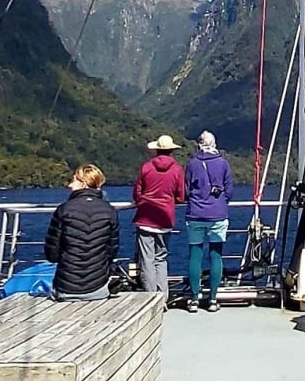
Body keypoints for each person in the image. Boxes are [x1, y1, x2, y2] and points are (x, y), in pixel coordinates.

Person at [44, 164, 121, 301]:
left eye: (74, 180)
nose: (69, 185)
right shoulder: (109, 211)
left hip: (65, 289)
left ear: (83, 183)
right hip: (98, 289)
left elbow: (52, 254)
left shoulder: (64, 210)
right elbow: (111, 252)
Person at [183, 130, 234, 313]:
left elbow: (186, 191)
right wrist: (220, 202)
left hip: (195, 214)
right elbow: (229, 191)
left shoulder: (192, 164)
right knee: (216, 256)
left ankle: (194, 299)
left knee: (195, 256)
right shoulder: (223, 164)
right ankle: (213, 299)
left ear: (199, 144)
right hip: (218, 215)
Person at [133, 133, 186, 305]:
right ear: (172, 150)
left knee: (146, 260)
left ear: (156, 149)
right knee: (161, 259)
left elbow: (137, 194)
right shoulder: (177, 170)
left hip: (146, 218)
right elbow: (181, 196)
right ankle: (163, 297)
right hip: (165, 219)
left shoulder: (146, 167)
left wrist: (144, 201)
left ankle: (150, 297)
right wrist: (169, 201)